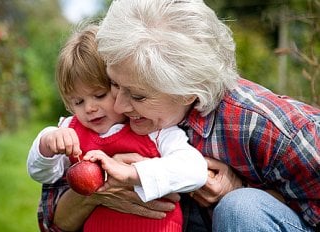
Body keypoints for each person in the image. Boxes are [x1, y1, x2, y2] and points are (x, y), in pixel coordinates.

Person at [37, 0, 320, 231]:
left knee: (241, 209)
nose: (120, 105)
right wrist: (96, 192)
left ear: (187, 92)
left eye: (137, 95)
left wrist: (238, 189)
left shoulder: (267, 127)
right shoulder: (106, 120)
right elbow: (51, 222)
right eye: (114, 85)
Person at [27, 23, 208, 232]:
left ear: (120, 85)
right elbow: (41, 174)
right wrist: (46, 144)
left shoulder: (153, 129)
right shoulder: (72, 131)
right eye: (78, 102)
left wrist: (133, 173)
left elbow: (195, 170)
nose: (90, 108)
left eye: (100, 95)